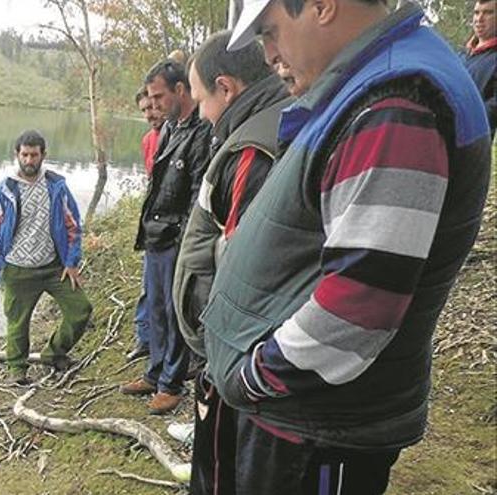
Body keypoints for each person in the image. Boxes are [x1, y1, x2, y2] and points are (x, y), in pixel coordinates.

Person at [198, 0, 491, 492]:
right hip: (297, 421)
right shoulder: (362, 86)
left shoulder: (395, 104)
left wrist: (252, 378)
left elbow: (359, 308)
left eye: (270, 32)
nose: (269, 55)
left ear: (322, 6)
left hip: (313, 431)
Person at [171, 30, 293, 489]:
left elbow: (243, 270)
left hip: (235, 358)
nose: (200, 113)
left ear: (227, 88)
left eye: (201, 99)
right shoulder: (264, 125)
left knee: (219, 474)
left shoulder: (252, 150)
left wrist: (222, 362)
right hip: (238, 355)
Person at [119, 59, 211, 415]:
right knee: (156, 307)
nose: (153, 104)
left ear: (180, 90)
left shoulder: (203, 130)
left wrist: (188, 241)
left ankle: (172, 384)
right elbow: (158, 183)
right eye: (150, 98)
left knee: (175, 313)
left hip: (177, 238)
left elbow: (198, 193)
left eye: (159, 96)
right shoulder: (171, 127)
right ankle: (155, 372)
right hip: (157, 234)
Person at [0, 130, 93, 385]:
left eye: (34, 155)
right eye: (25, 155)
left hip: (54, 268)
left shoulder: (56, 187)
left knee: (81, 310)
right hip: (18, 270)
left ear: (43, 155)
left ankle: (54, 353)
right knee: (18, 323)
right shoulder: (3, 190)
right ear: (17, 155)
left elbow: (73, 226)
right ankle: (17, 370)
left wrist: (71, 262)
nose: (29, 160)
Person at [127, 87, 167, 361]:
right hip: (153, 220)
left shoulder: (179, 133)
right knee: (147, 284)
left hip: (170, 224)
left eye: (153, 107)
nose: (149, 114)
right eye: (143, 110)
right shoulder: (147, 140)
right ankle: (145, 338)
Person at [463, 0, 497, 135]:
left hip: (473, 145)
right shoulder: (462, 55)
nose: (479, 19)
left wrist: (465, 121)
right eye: (476, 13)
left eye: (488, 13)